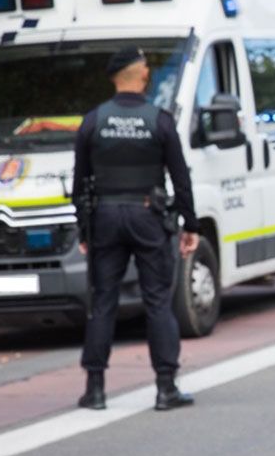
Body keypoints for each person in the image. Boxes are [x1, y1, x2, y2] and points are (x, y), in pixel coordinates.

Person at [73, 46, 200, 411]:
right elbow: (181, 178)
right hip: (148, 216)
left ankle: (95, 390)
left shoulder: (93, 121)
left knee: (103, 303)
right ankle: (165, 388)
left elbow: (79, 183)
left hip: (106, 218)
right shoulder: (158, 120)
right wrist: (189, 224)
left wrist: (85, 230)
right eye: (146, 69)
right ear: (141, 75)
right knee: (159, 301)